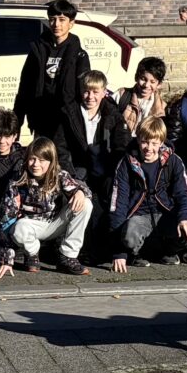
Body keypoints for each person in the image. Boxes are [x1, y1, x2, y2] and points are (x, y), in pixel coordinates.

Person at [53, 70, 131, 260]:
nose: (91, 97)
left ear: (104, 92)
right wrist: (70, 176)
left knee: (109, 200)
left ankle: (107, 246)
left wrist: (114, 168)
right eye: (87, 91)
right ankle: (73, 248)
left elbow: (122, 145)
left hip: (104, 167)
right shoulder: (69, 113)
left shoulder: (112, 114)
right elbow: (61, 148)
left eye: (96, 92)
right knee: (75, 201)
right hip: (77, 168)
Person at [109, 116, 187, 270]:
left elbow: (185, 194)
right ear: (138, 139)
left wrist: (185, 218)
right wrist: (119, 253)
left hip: (166, 215)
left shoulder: (173, 161)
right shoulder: (126, 163)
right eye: (144, 142)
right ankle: (136, 254)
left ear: (161, 142)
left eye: (154, 143)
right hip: (139, 216)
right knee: (129, 235)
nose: (148, 148)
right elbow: (118, 204)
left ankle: (169, 251)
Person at [0, 136, 92, 278]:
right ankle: (32, 252)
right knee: (19, 228)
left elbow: (83, 188)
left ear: (51, 162)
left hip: (54, 223)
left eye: (42, 160)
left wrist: (80, 192)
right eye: (32, 159)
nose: (36, 164)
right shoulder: (17, 181)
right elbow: (4, 220)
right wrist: (6, 260)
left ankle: (68, 255)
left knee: (86, 204)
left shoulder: (60, 176)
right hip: (30, 226)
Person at [13, 0, 91, 139]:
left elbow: (84, 91)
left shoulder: (79, 55)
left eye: (62, 19)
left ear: (71, 23)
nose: (56, 24)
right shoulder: (37, 50)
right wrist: (17, 121)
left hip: (65, 121)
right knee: (41, 159)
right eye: (52, 19)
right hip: (41, 119)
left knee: (63, 160)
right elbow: (25, 87)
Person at [114, 56, 167, 135]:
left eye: (152, 82)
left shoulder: (162, 108)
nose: (146, 85)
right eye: (143, 79)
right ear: (136, 77)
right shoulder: (121, 96)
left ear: (159, 84)